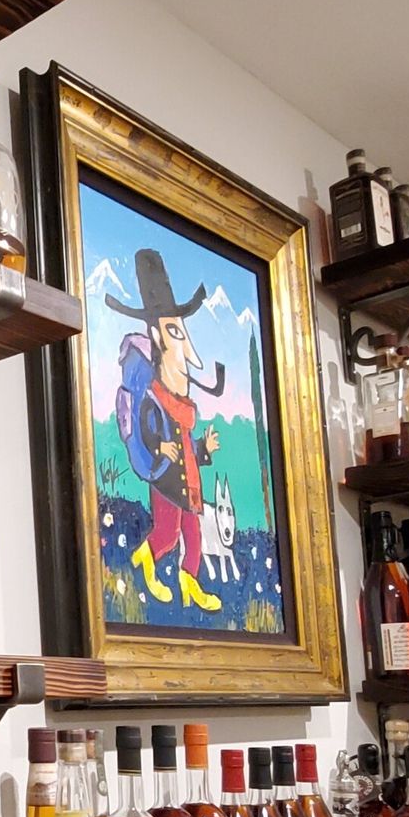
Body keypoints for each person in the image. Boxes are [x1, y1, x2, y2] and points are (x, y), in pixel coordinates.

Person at [112, 247, 225, 613]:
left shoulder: (182, 407)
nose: (184, 348)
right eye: (175, 332)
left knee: (193, 539)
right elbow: (147, 428)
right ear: (157, 337)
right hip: (165, 480)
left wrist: (203, 450)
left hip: (188, 483)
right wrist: (160, 449)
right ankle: (145, 558)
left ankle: (190, 583)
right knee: (167, 534)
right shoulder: (155, 398)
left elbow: (188, 446)